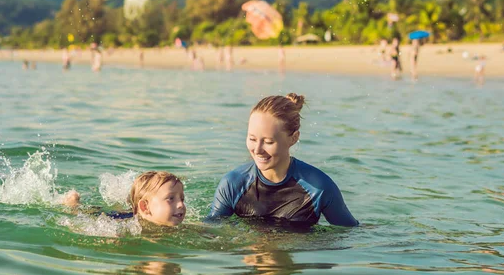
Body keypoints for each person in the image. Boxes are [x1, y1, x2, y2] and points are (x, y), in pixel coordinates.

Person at [208, 93, 358, 227]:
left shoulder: (319, 188)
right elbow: (211, 230)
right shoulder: (233, 183)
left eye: (268, 142)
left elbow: (351, 234)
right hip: (249, 255)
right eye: (252, 139)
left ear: (293, 138)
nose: (257, 149)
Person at [63, 171, 186, 227]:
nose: (180, 204)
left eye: (182, 198)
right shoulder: (127, 227)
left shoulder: (182, 226)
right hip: (116, 217)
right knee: (85, 213)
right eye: (171, 198)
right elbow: (81, 227)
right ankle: (73, 204)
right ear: (145, 207)